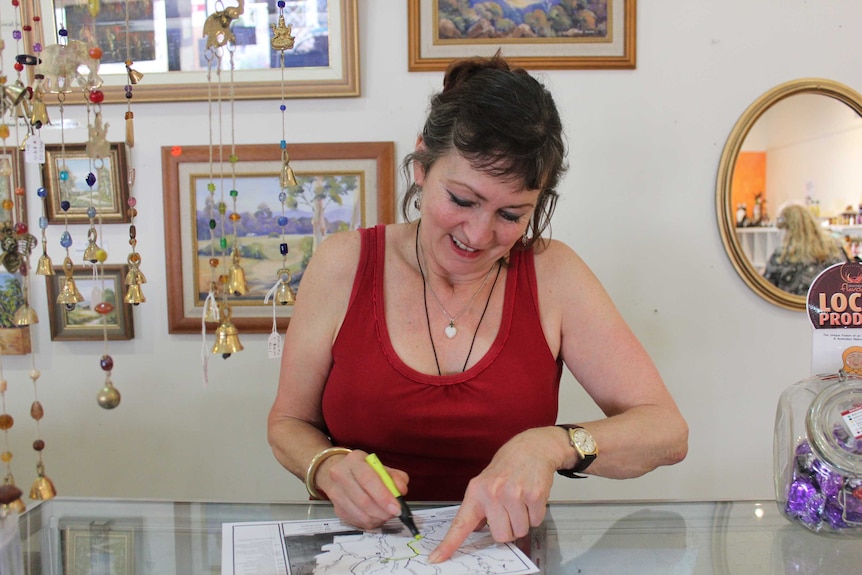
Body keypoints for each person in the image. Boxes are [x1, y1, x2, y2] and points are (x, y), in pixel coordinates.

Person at [267, 53, 688, 564]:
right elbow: (288, 422)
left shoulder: (555, 276)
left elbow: (667, 432)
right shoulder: (343, 263)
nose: (478, 234)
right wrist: (326, 464)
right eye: (463, 200)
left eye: (511, 215)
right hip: (357, 555)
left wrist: (549, 446)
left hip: (502, 557)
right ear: (422, 165)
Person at [763, 203, 848, 295]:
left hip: (789, 307)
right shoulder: (835, 248)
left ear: (787, 229)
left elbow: (766, 290)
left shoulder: (782, 256)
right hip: (829, 306)